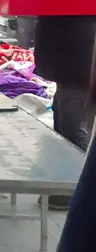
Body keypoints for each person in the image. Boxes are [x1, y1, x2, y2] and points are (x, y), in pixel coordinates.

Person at [33, 15, 96, 208]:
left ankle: (77, 193)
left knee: (73, 132)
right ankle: (67, 187)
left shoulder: (79, 5)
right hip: (68, 72)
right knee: (62, 129)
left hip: (76, 73)